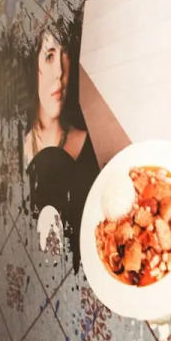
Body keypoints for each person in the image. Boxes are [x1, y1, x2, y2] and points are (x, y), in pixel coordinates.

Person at [23, 24, 100, 272]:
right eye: (49, 56)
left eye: (64, 54)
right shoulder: (13, 155)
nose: (59, 72)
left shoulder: (92, 146)